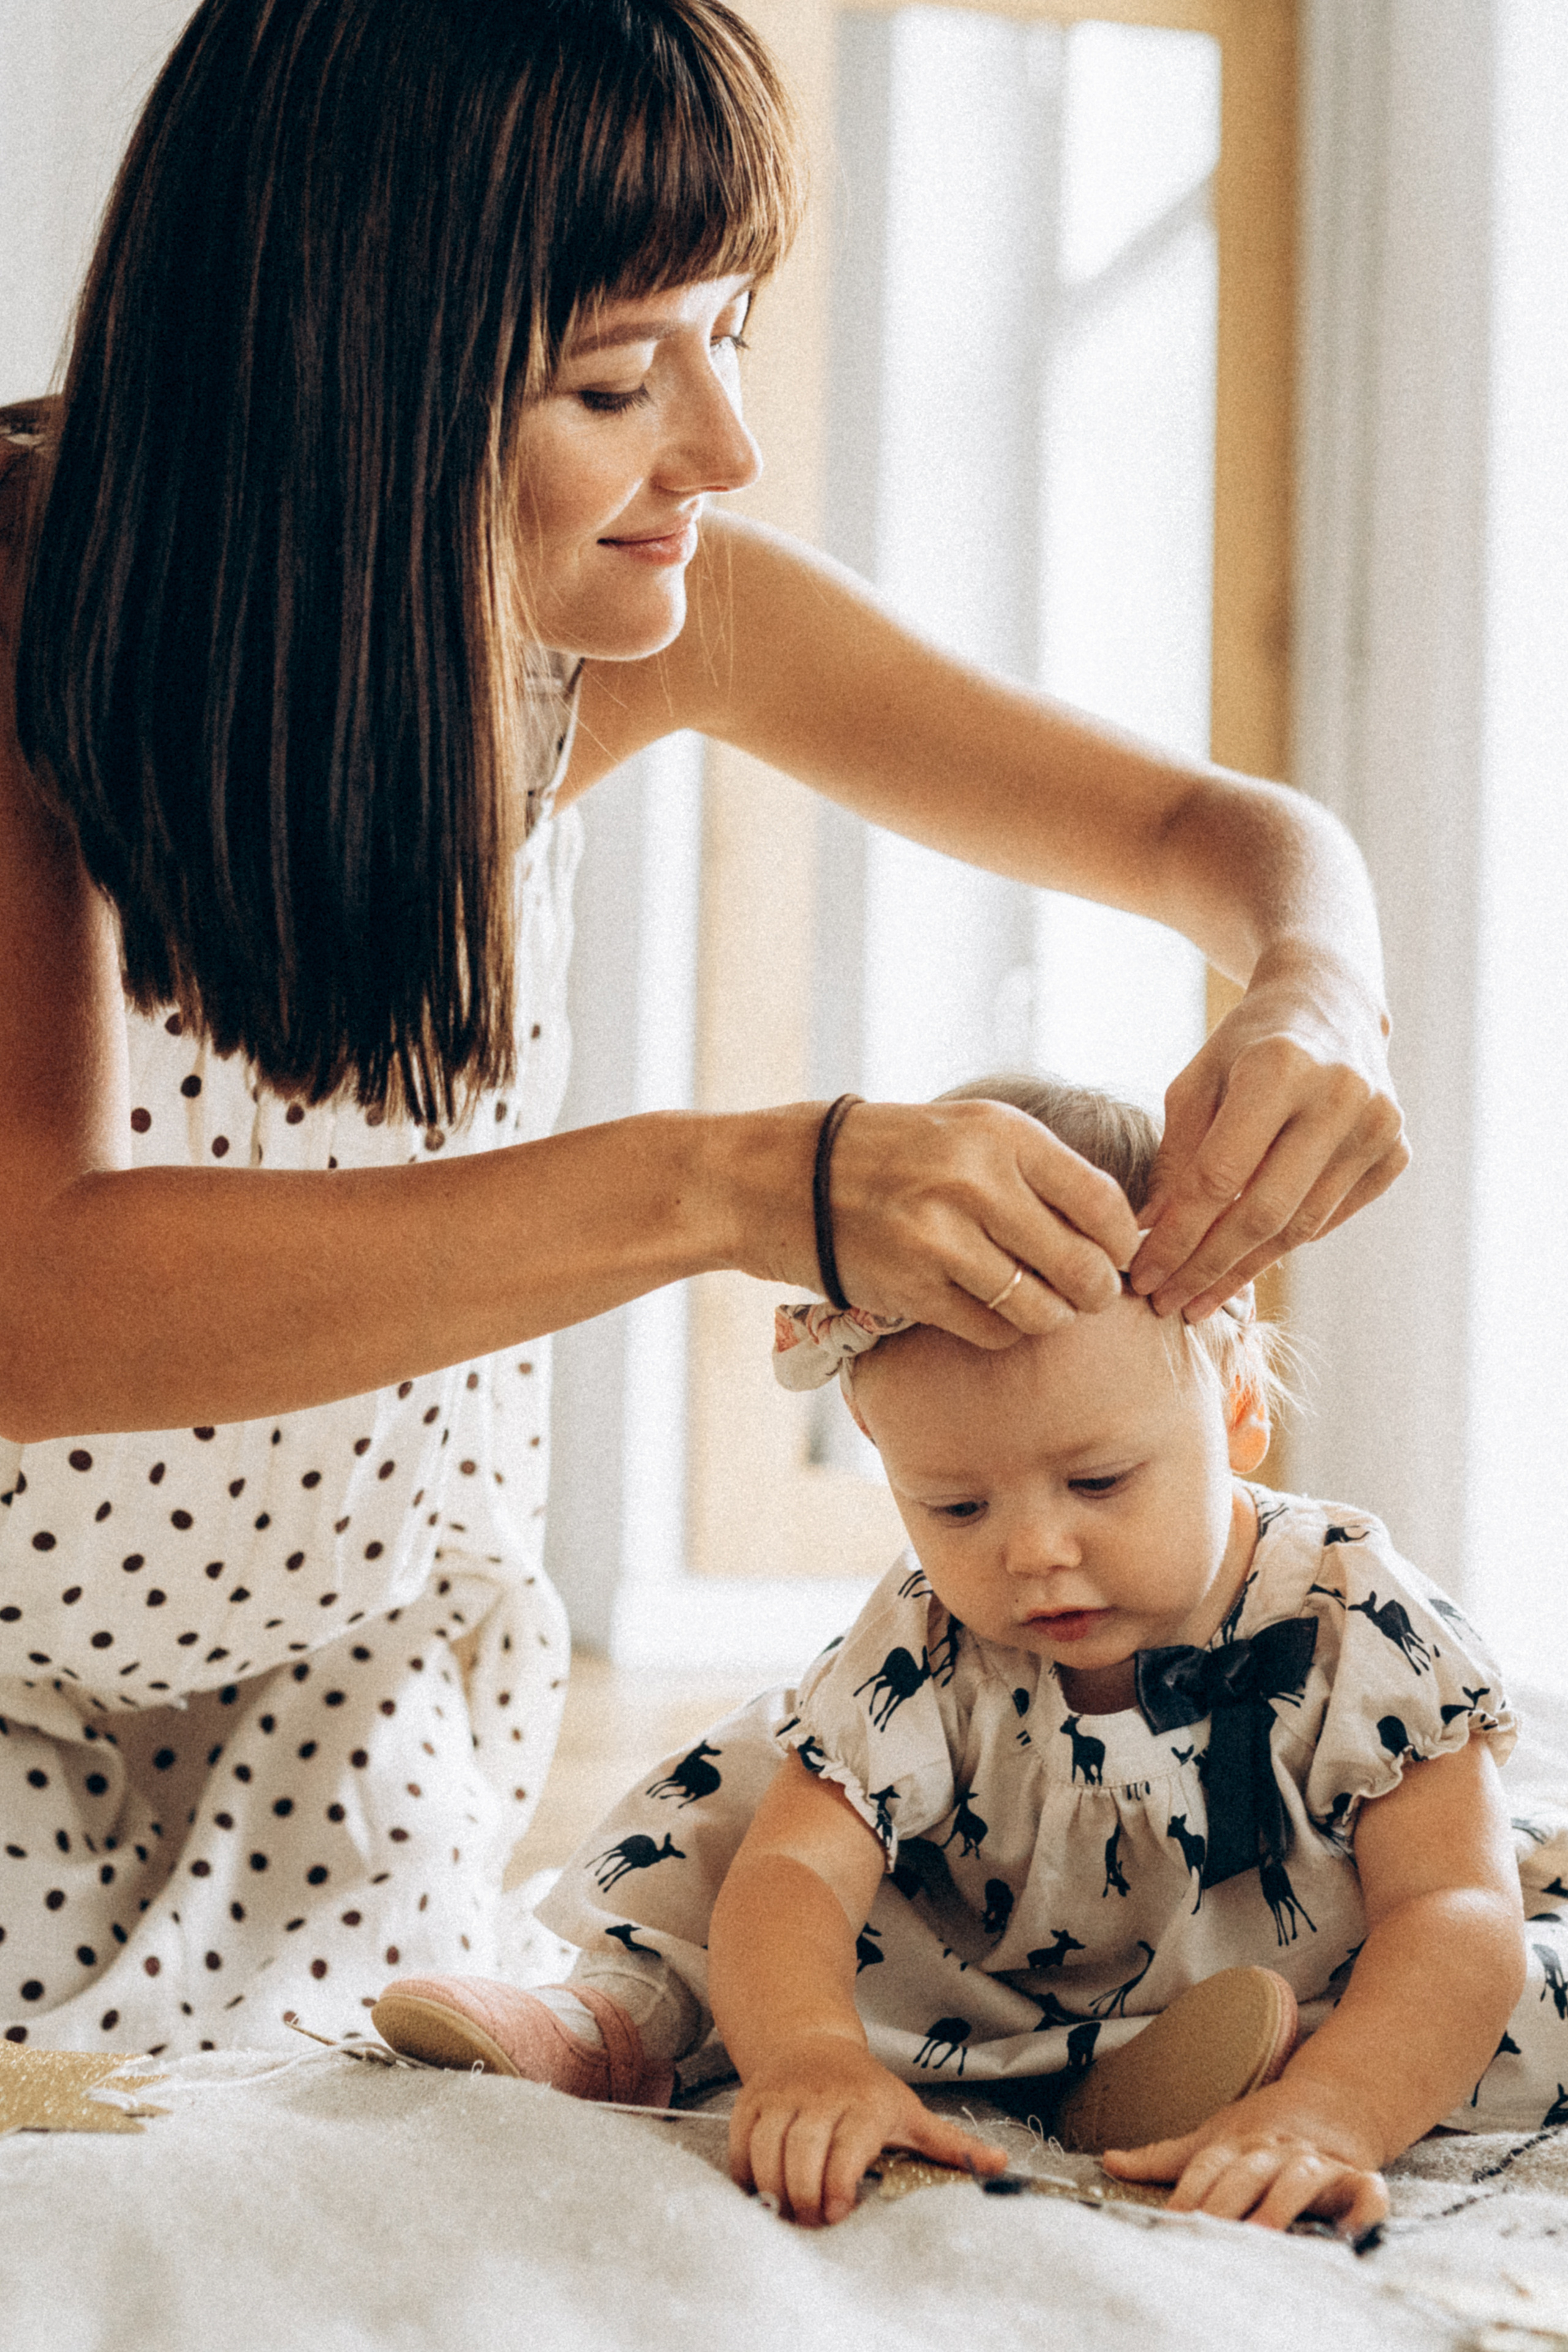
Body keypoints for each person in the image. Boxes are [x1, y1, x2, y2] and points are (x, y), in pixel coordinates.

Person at [0, 0, 1406, 2054]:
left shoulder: (630, 625)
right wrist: (741, 1179)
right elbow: (36, 1298)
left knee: (336, 2165)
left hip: (350, 1706)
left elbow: (1226, 836)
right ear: (332, 373)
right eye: (611, 377)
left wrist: (1319, 987)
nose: (723, 448)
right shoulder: (20, 617)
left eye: (729, 329)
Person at [375, 1074, 1559, 2237]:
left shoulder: (1350, 1608)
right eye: (953, 1508)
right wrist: (809, 2057)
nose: (1036, 1551)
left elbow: (1449, 1903)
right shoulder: (930, 1639)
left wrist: (1337, 2111)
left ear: (1239, 1406)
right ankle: (615, 2022)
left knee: (1503, 1984)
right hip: (975, 1972)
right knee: (747, 1815)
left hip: (1291, 1967)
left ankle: (1262, 2073)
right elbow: (797, 1878)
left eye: (1099, 1482)